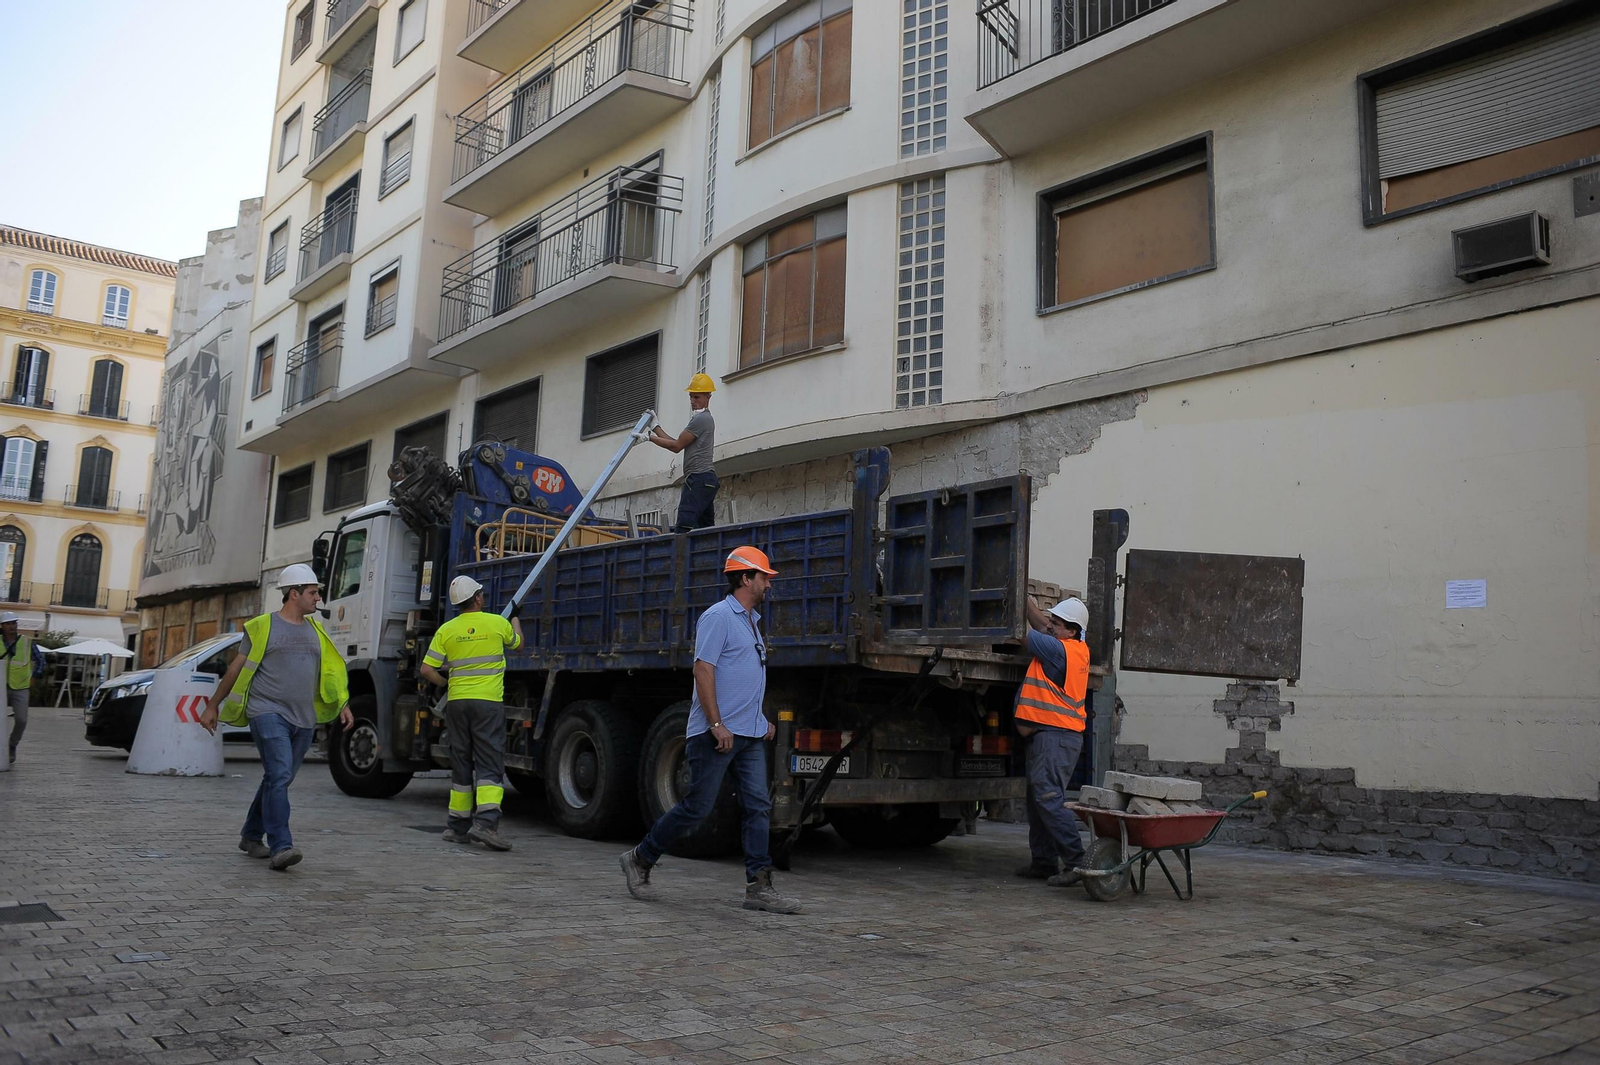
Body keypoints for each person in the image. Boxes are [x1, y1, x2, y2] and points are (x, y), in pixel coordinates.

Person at [619, 546, 801, 914]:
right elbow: (704, 670)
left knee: (757, 806)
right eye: (764, 577)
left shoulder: (752, 620)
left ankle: (759, 887)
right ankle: (640, 858)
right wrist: (717, 723)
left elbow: (745, 677)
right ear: (746, 578)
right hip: (715, 733)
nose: (769, 583)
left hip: (748, 734)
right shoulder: (718, 617)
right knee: (697, 808)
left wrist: (759, 720)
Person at [200, 564, 354, 871]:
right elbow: (236, 668)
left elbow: (332, 672)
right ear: (293, 594)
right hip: (267, 711)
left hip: (304, 719)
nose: (318, 597)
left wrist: (342, 704)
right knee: (280, 775)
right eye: (313, 592)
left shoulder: (316, 630)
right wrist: (212, 705)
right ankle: (281, 846)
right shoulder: (262, 627)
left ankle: (250, 836)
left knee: (277, 778)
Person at [420, 575, 523, 852]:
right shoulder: (496, 623)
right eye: (481, 593)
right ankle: (486, 825)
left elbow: (427, 670)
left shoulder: (446, 630)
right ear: (477, 598)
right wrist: (514, 618)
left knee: (461, 762)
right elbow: (518, 644)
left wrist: (447, 684)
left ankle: (457, 827)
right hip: (487, 703)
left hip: (457, 704)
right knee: (490, 763)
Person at [1012, 594, 1092, 888]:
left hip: (1056, 736)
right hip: (1052, 735)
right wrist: (1028, 603)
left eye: (1055, 624)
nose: (1049, 627)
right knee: (1038, 800)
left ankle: (1077, 862)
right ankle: (1044, 862)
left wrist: (1014, 598)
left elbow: (1021, 632)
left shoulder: (1059, 650)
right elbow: (1041, 625)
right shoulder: (1071, 647)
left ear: (1070, 630)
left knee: (1048, 798)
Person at [642, 372, 718, 533]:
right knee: (704, 530)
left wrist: (649, 438)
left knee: (684, 528)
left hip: (698, 478)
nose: (692, 401)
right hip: (706, 480)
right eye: (691, 397)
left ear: (707, 397)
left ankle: (679, 558)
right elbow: (677, 442)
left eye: (696, 397)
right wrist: (655, 427)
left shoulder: (701, 419)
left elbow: (676, 446)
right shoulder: (702, 419)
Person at [1, 612, 45, 764]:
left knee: (21, 719)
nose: (12, 626)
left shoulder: (26, 641)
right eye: (8, 623)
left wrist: (35, 676)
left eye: (14, 623)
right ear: (2, 626)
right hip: (0, 687)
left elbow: (40, 660)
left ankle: (12, 745)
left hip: (20, 687)